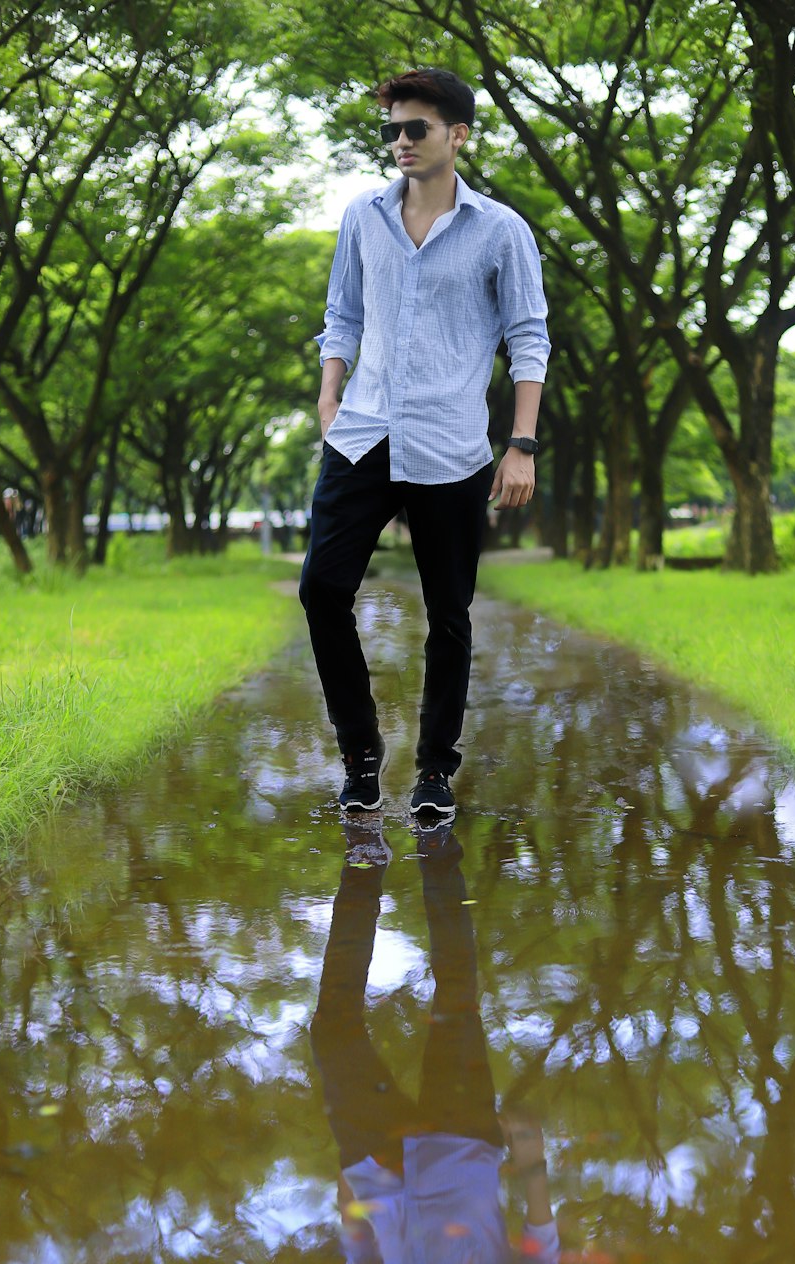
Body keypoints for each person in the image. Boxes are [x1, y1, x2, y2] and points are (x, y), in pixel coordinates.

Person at [299, 66, 550, 819]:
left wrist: (521, 444)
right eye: (392, 130)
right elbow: (341, 313)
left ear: (458, 135)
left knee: (450, 613)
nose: (401, 142)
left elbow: (527, 338)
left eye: (417, 129)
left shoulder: (501, 230)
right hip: (363, 434)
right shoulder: (362, 217)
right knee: (321, 590)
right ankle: (360, 755)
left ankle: (436, 771)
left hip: (449, 445)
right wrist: (329, 390)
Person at [309, 827, 559, 1264]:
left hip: (376, 1168)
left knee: (332, 1031)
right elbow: (538, 1263)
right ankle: (437, 843)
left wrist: (351, 1218)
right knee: (455, 993)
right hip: (463, 1143)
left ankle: (364, 863)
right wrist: (532, 1167)